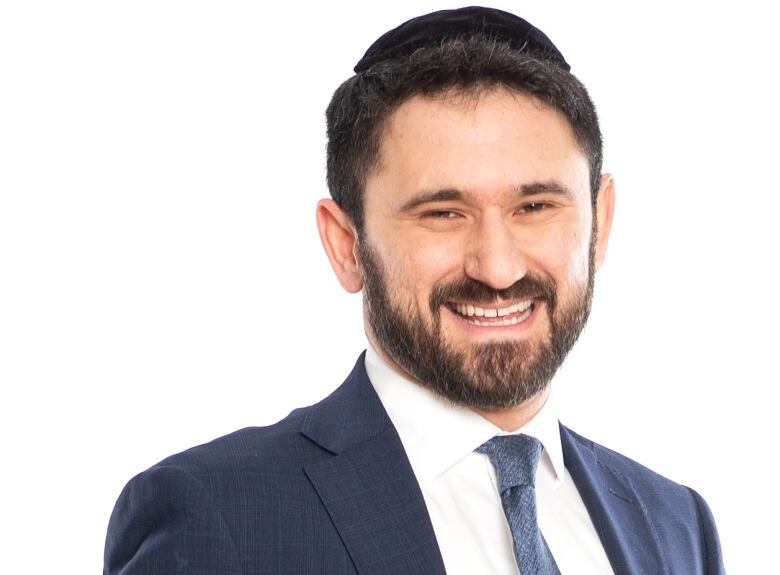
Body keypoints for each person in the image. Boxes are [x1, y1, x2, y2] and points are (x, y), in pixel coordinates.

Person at [104, 7, 724, 574]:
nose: (498, 267)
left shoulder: (674, 525)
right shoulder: (220, 516)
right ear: (347, 245)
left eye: (535, 206)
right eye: (442, 213)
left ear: (600, 223)